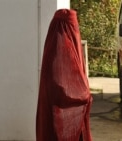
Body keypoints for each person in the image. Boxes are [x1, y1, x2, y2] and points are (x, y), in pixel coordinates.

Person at [36, 9, 92, 141]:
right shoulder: (63, 46)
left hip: (52, 112)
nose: (75, 30)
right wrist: (85, 95)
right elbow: (66, 85)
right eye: (73, 26)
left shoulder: (52, 44)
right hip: (60, 114)